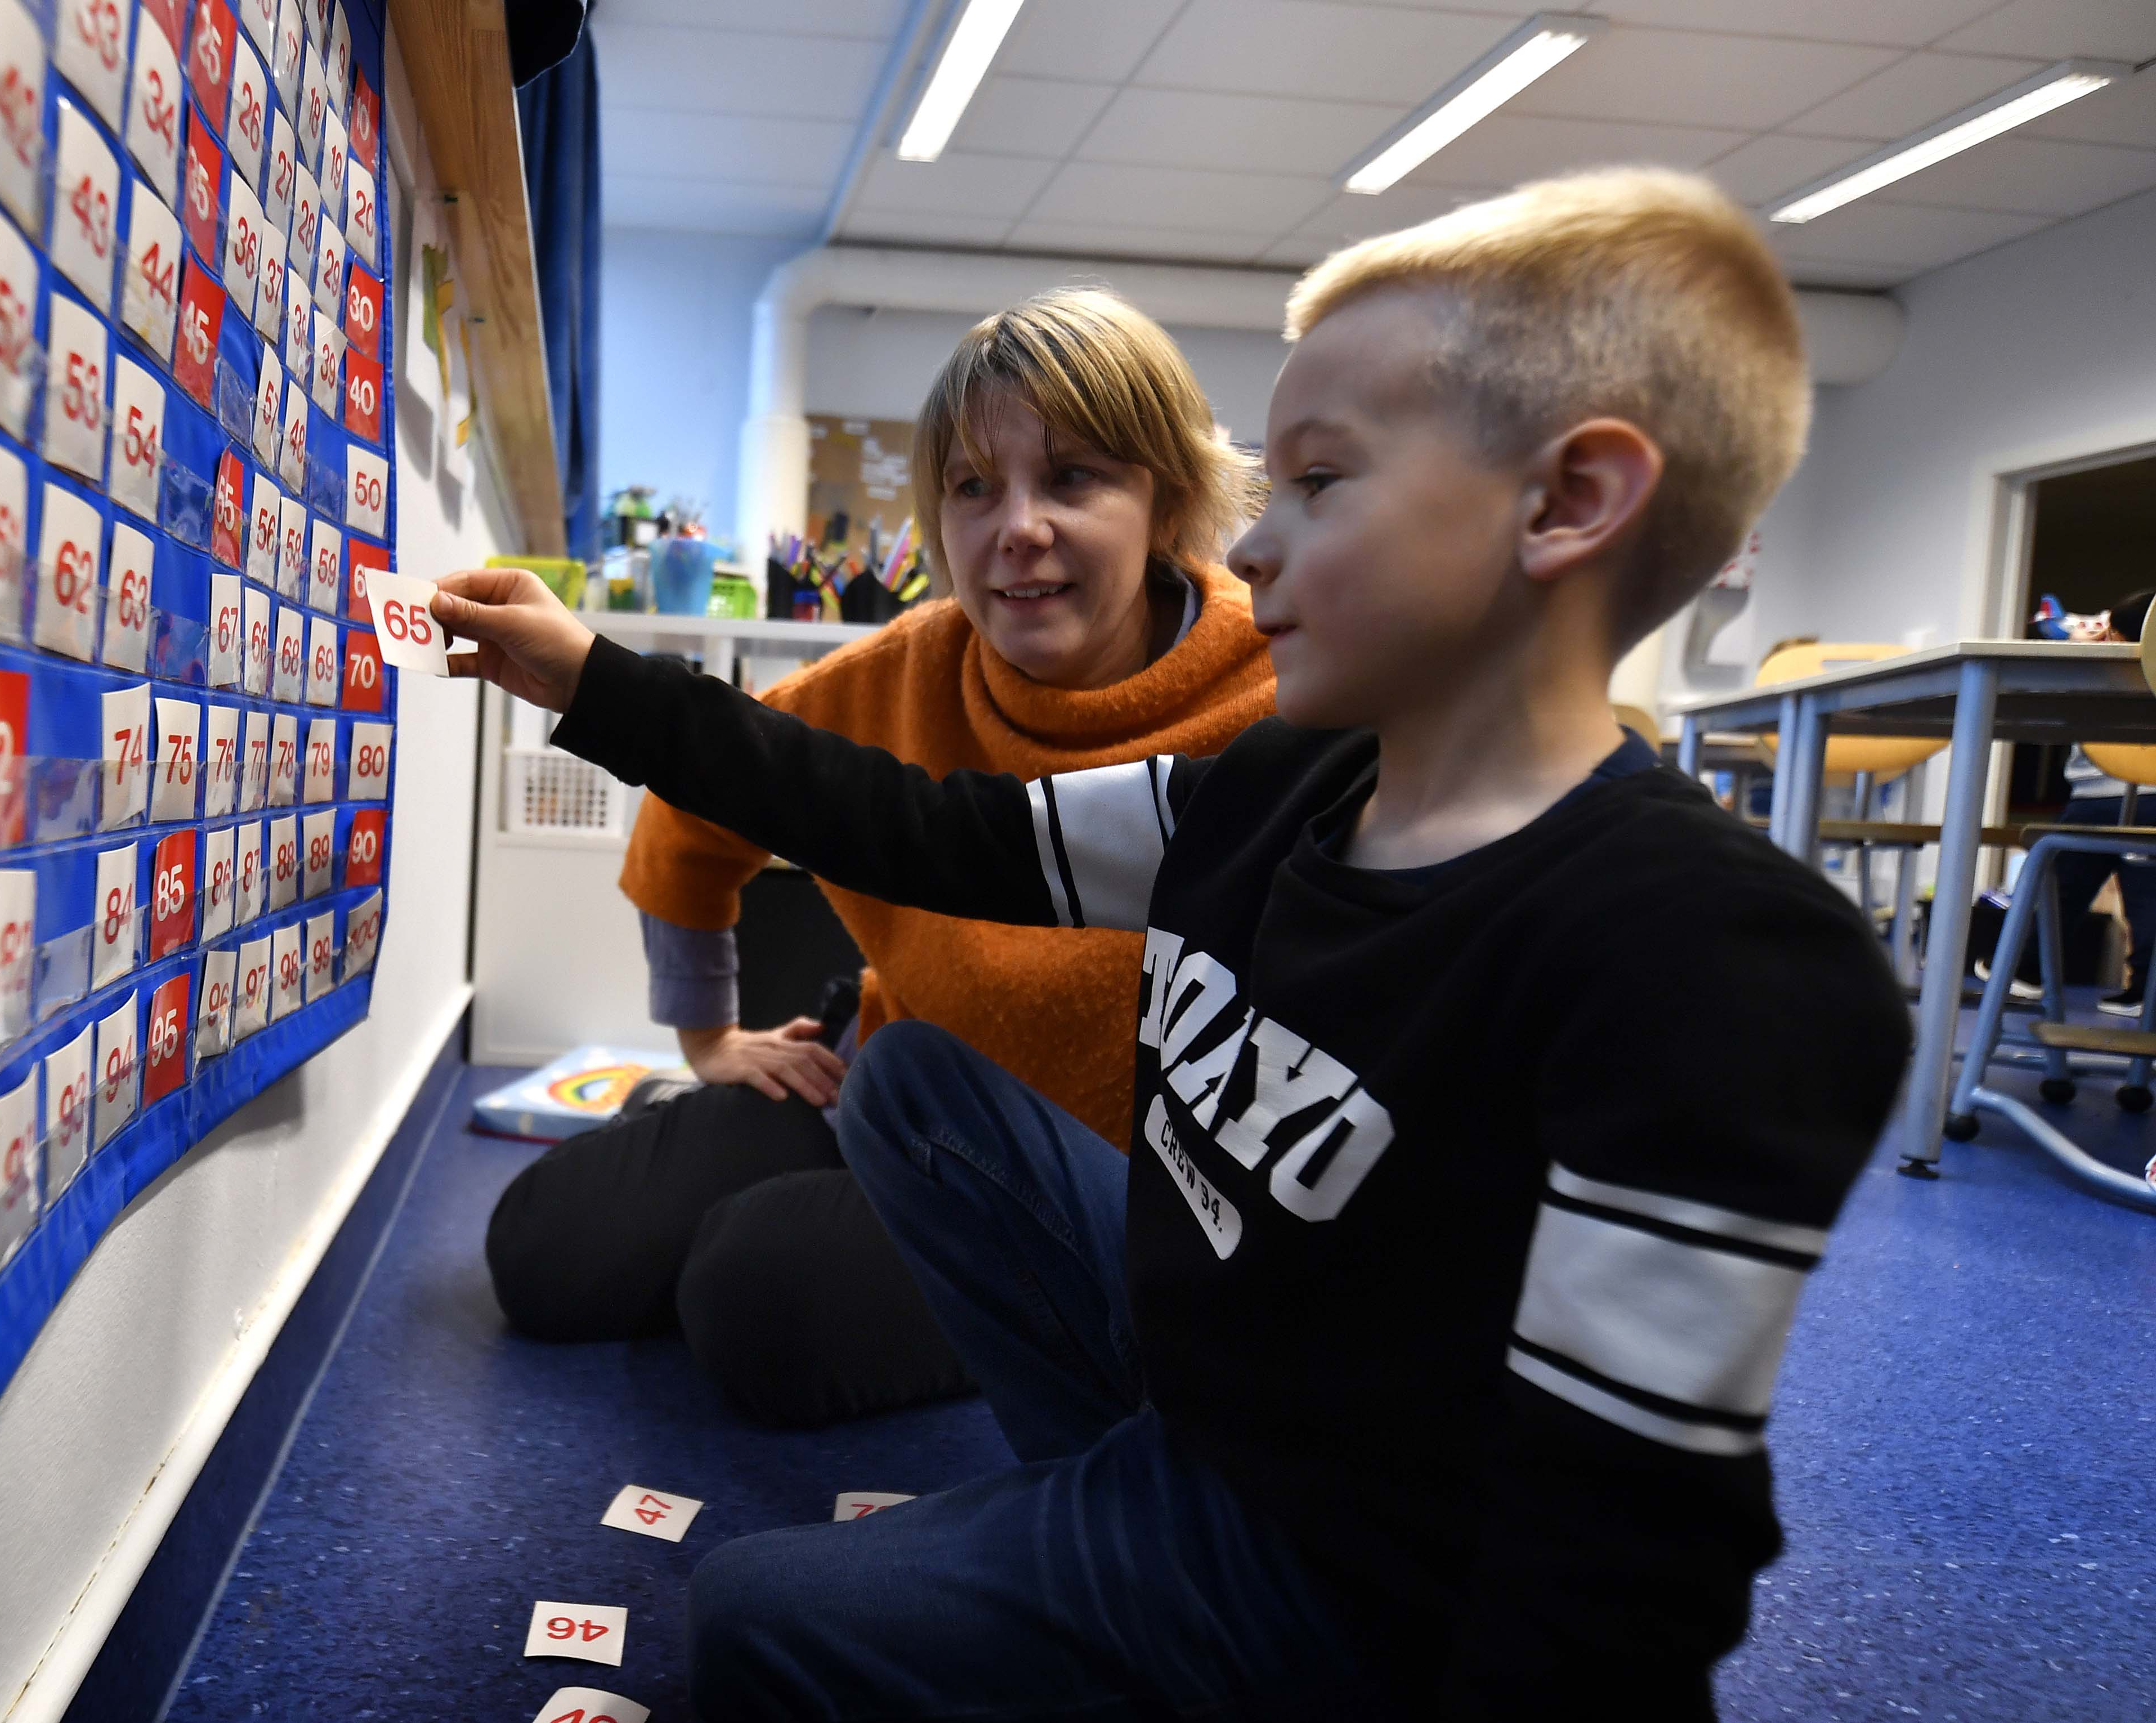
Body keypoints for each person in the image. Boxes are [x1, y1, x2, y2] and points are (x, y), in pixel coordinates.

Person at [435, 168, 1912, 1718]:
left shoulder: (1709, 954)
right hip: (1201, 1428)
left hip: (1354, 1588)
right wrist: (593, 679)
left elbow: (1628, 1553)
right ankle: (1089, 1551)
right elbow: (922, 829)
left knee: (752, 1615)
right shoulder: (1278, 783)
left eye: (1320, 485)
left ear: (1565, 502)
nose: (1255, 550)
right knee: (919, 1083)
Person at [482, 288, 1277, 1427]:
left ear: (1167, 501)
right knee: (545, 1250)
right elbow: (695, 805)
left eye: (1074, 479)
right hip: (872, 1084)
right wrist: (711, 1037)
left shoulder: (1279, 699)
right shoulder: (906, 668)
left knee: (756, 1295)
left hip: (1078, 1194)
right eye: (972, 487)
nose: (1018, 528)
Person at [2052, 589, 2156, 1012]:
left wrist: (2081, 654)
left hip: (2092, 801)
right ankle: (2146, 991)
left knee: (2059, 891)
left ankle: (2028, 969)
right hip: (2155, 800)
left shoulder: (2100, 670)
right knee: (2149, 902)